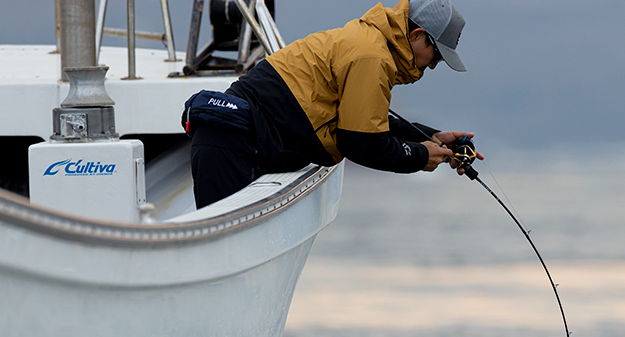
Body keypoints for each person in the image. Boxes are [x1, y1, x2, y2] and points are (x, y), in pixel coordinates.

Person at [187, 0, 479, 208]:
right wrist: (419, 156)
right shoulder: (372, 57)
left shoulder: (371, 43)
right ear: (416, 36)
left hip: (234, 139)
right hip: (230, 142)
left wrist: (429, 138)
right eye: (438, 55)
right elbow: (362, 144)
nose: (435, 65)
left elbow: (363, 120)